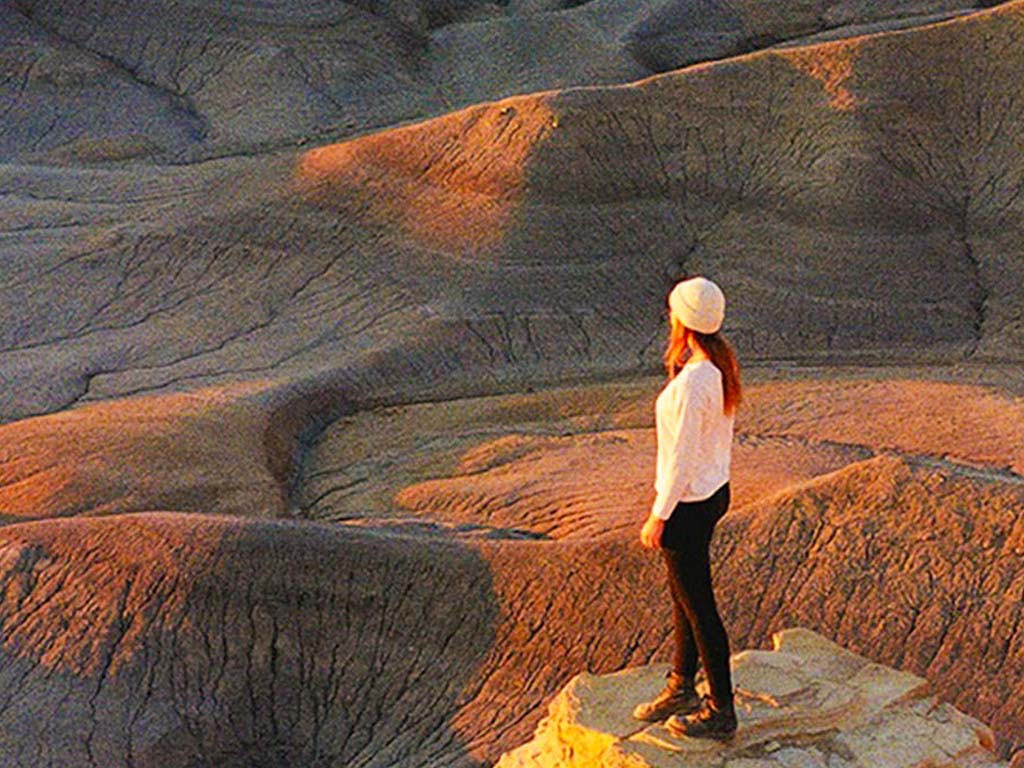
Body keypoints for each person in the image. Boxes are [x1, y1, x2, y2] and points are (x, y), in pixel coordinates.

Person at [632, 276, 741, 740]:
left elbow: (680, 457)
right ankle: (682, 685)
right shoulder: (715, 369)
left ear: (683, 321)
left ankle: (721, 710)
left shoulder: (694, 382)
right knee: (685, 595)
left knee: (699, 606)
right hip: (712, 492)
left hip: (688, 504)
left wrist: (659, 515)